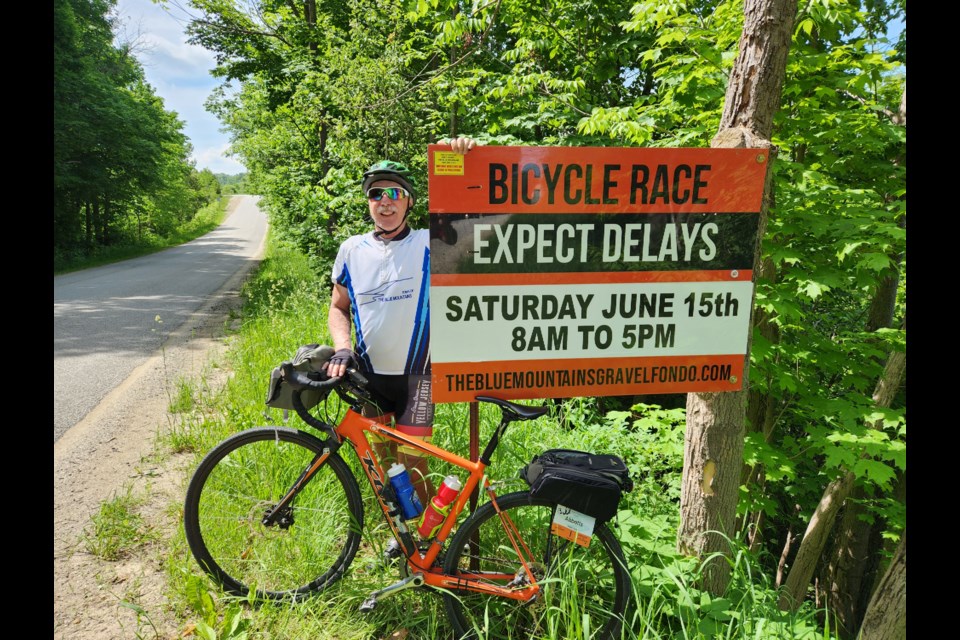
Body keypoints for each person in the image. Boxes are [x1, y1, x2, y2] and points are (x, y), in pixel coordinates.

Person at [325, 137, 477, 557]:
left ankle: (428, 547)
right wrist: (341, 347)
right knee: (381, 467)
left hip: (416, 379)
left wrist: (460, 159)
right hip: (368, 378)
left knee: (415, 465)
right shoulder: (350, 250)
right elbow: (338, 307)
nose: (385, 202)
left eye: (394, 193)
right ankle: (400, 539)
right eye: (376, 194)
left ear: (409, 202)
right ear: (368, 203)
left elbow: (474, 218)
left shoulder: (430, 242)